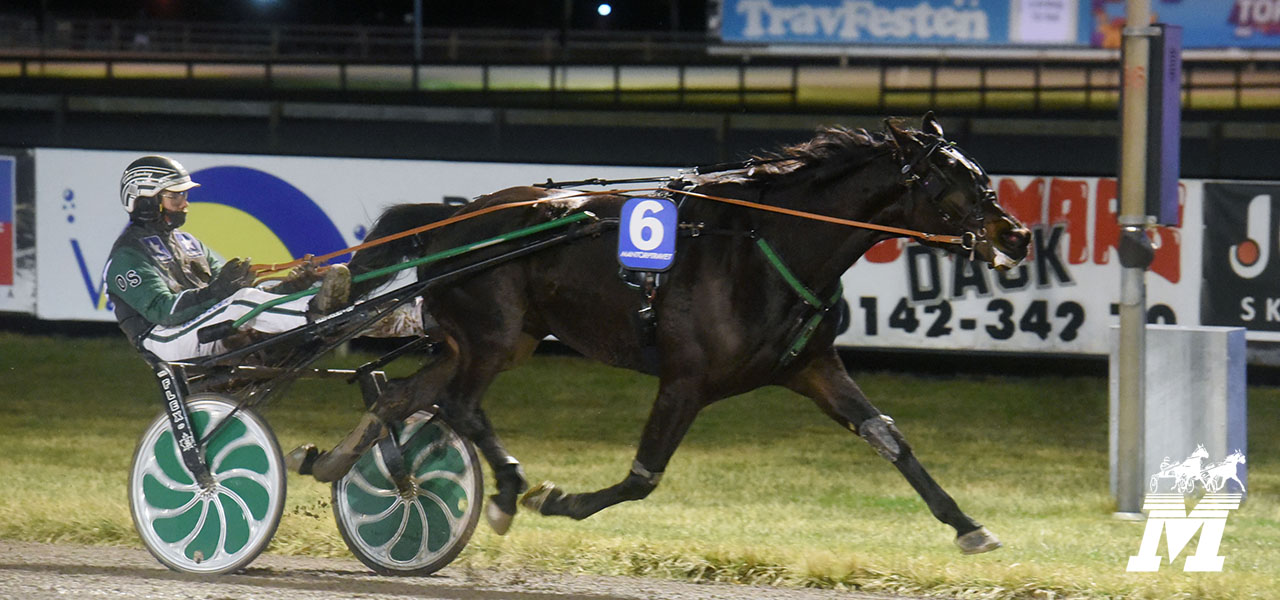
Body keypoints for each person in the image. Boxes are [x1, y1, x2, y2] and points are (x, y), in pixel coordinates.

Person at [105, 155, 351, 362]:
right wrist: (218, 290)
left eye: (185, 197)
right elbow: (166, 312)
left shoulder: (188, 242)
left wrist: (293, 286)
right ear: (147, 202)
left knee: (248, 296)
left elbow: (233, 292)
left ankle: (329, 311)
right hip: (163, 339)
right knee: (242, 302)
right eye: (175, 197)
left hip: (195, 327)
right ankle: (315, 317)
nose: (185, 205)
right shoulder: (127, 256)